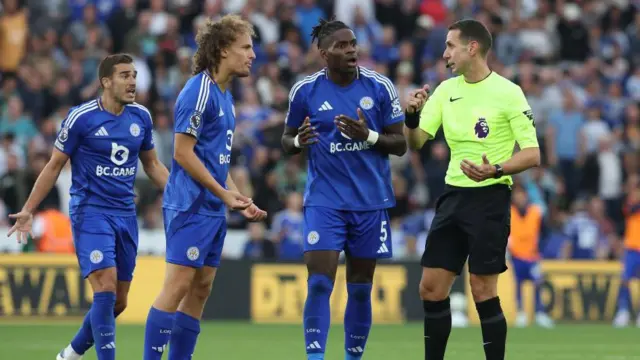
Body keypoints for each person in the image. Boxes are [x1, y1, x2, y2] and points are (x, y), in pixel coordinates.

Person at [7, 53, 169, 360]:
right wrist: (29, 208)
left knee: (117, 302)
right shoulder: (81, 117)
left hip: (125, 213)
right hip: (90, 212)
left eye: (134, 75)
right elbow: (55, 165)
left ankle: (69, 354)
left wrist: (179, 195)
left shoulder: (142, 118)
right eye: (124, 75)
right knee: (105, 287)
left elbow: (152, 164)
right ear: (106, 82)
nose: (132, 81)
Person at [404, 19, 540, 360]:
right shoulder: (446, 90)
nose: (445, 53)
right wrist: (410, 118)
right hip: (453, 196)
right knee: (431, 289)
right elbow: (417, 141)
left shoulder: (508, 92)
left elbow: (532, 153)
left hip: (490, 198)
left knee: (482, 290)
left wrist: (494, 169)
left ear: (472, 48)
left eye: (451, 46)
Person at [281, 17, 407, 360]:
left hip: (370, 201)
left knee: (361, 289)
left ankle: (353, 356)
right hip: (325, 200)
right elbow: (285, 141)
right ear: (324, 54)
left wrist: (367, 135)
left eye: (352, 43)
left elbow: (400, 144)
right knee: (320, 281)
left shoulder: (380, 87)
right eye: (341, 45)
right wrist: (297, 140)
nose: (351, 50)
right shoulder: (304, 91)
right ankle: (315, 357)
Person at [142, 15, 266, 360]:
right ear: (224, 49)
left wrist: (237, 195)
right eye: (246, 47)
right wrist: (222, 193)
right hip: (190, 206)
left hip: (212, 207)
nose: (252, 55)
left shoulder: (226, 97)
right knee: (178, 286)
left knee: (201, 289)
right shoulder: (199, 91)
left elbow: (215, 161)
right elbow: (182, 153)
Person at [508, 184, 554, 328]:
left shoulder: (536, 212)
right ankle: (521, 313)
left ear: (526, 196)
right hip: (516, 255)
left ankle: (540, 313)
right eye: (517, 195)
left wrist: (540, 249)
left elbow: (545, 233)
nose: (519, 198)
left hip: (532, 256)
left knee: (538, 283)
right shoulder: (509, 213)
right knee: (519, 285)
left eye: (521, 194)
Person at [613, 181, 640, 327]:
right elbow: (628, 210)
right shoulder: (631, 203)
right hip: (631, 248)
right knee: (625, 280)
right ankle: (623, 312)